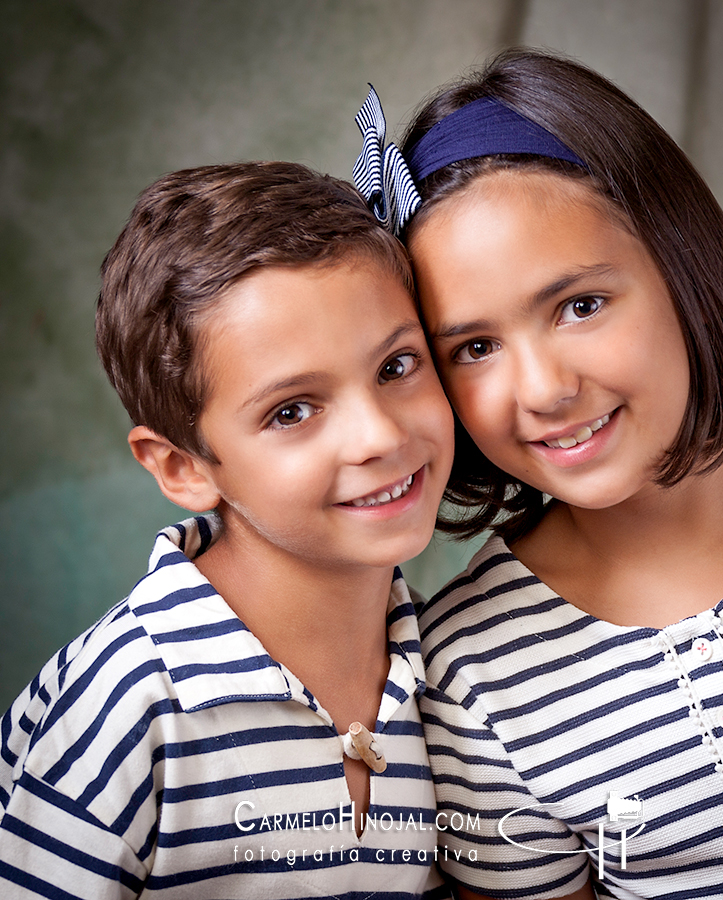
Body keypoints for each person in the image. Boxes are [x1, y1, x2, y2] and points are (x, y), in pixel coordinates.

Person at [351, 51, 723, 900]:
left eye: (580, 305)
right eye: (475, 348)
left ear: (682, 267)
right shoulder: (470, 672)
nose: (544, 390)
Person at [0, 161, 456, 898]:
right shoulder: (127, 702)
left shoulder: (446, 674)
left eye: (397, 365)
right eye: (292, 410)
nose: (378, 434)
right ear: (184, 468)